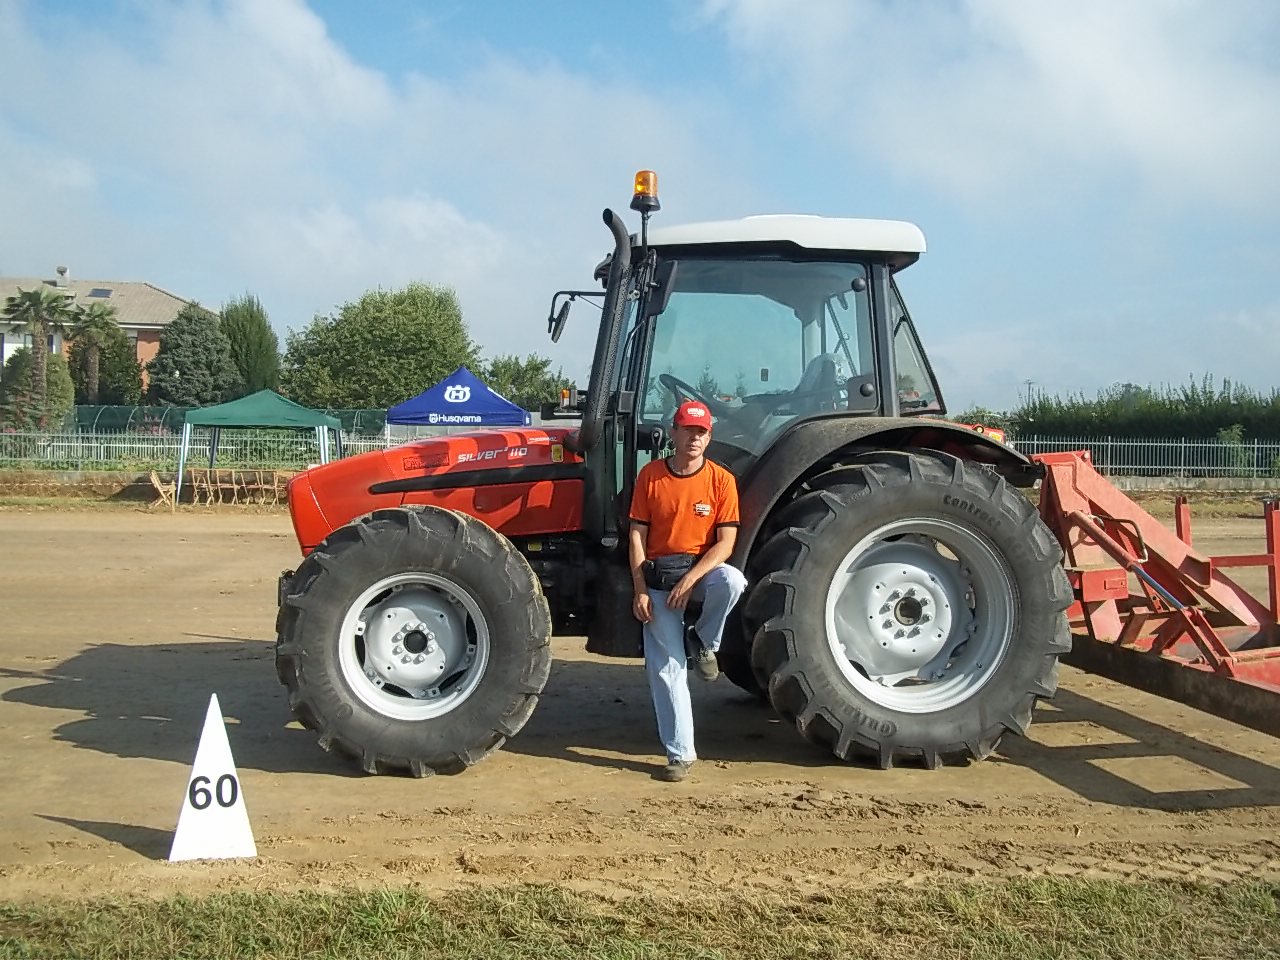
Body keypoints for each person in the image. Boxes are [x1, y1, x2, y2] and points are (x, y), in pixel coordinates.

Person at [628, 399, 747, 782]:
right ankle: (680, 755)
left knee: (732, 580)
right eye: (688, 430)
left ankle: (705, 641)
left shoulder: (721, 480)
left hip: (699, 574)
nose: (694, 438)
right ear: (674, 433)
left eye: (701, 432)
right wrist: (640, 590)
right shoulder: (651, 477)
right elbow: (637, 536)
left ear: (709, 437)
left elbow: (726, 544)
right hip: (660, 580)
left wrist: (691, 580)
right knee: (668, 669)